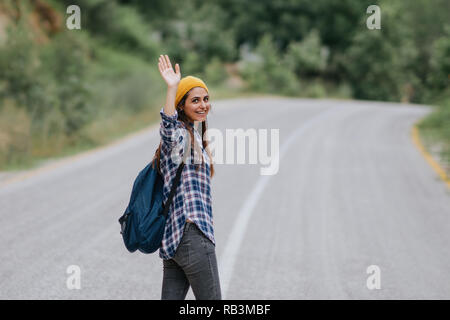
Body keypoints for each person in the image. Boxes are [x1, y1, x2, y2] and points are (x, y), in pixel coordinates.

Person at [153, 54, 221, 300]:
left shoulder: (193, 137)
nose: (203, 105)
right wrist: (172, 88)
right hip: (193, 236)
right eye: (195, 100)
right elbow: (168, 128)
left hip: (174, 242)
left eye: (206, 99)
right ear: (181, 105)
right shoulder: (180, 136)